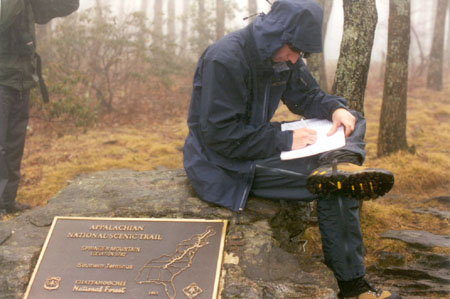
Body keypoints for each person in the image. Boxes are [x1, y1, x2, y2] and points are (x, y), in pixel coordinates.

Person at [183, 1, 399, 298]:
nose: (296, 58)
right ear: (274, 33)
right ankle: (353, 287)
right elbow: (219, 135)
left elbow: (308, 96)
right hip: (223, 164)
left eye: (301, 52)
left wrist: (333, 108)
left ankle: (342, 159)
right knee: (334, 184)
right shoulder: (225, 58)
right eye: (293, 49)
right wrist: (284, 140)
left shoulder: (284, 55)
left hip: (255, 142)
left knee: (351, 119)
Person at [0, 0, 79, 220]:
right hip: (2, 82)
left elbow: (66, 6)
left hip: (22, 83)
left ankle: (6, 201)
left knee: (14, 146)